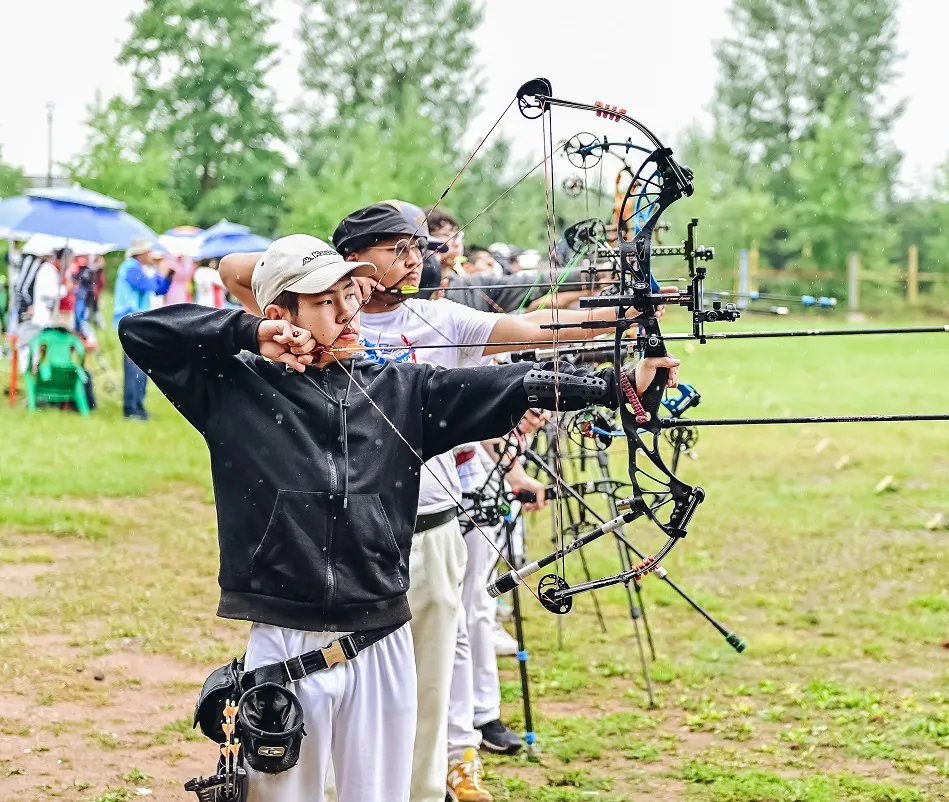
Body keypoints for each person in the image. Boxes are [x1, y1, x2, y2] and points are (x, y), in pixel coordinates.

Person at [123, 233, 678, 802]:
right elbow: (142, 331)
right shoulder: (233, 388)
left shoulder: (402, 387)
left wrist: (616, 385)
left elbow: (509, 383)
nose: (347, 313)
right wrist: (249, 334)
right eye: (323, 301)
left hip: (382, 636)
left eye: (350, 294)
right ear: (280, 315)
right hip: (286, 640)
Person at [113, 238, 173, 419]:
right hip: (130, 322)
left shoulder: (141, 269)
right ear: (139, 253)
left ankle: (138, 407)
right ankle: (131, 409)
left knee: (141, 366)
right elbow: (148, 285)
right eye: (148, 252)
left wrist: (168, 274)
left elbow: (160, 289)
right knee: (134, 367)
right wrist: (159, 272)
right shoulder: (130, 267)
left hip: (139, 322)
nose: (151, 255)